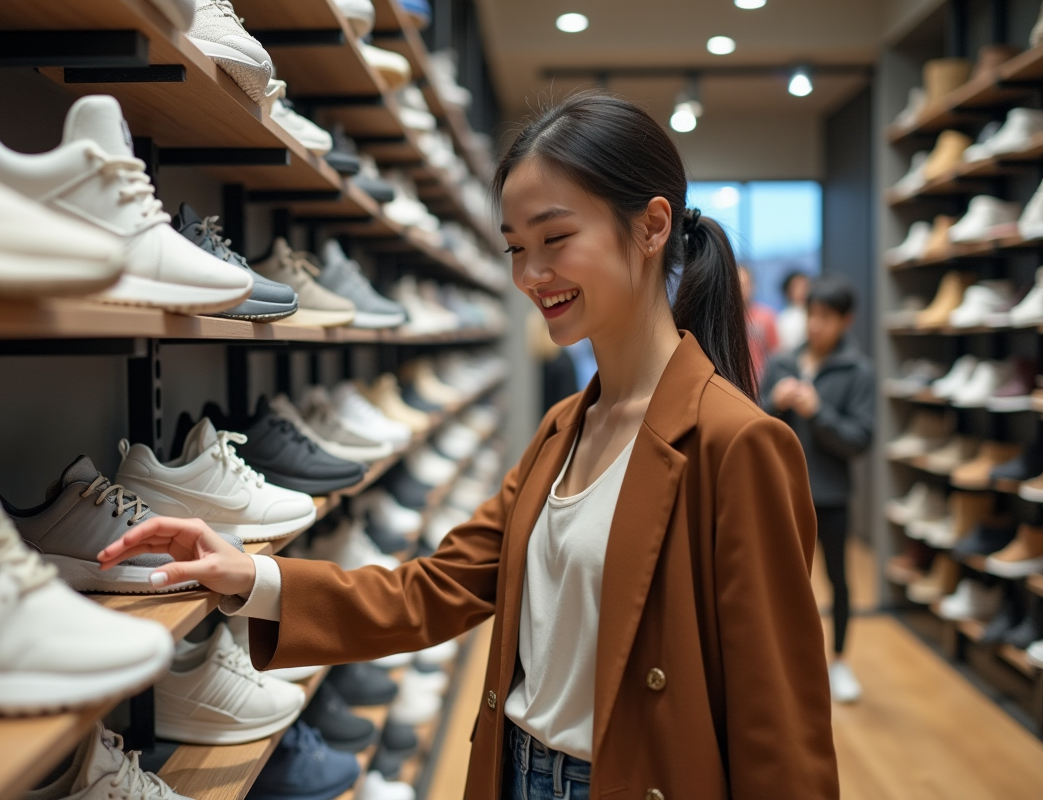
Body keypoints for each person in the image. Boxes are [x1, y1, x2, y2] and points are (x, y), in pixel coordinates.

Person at [100, 92, 838, 800]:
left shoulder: (737, 443)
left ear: (651, 227)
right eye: (517, 248)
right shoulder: (562, 430)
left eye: (555, 239)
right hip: (510, 772)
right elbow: (437, 587)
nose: (530, 275)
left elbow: (779, 723)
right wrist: (252, 577)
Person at [760, 274, 874, 705]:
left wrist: (818, 411)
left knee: (838, 580)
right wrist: (776, 403)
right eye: (811, 315)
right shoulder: (783, 362)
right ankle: (785, 664)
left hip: (831, 494)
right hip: (783, 493)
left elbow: (860, 438)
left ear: (847, 320)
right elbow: (755, 421)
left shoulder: (858, 370)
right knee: (784, 582)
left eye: (826, 317)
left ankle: (839, 661)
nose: (815, 325)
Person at [738, 263, 779, 380]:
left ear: (752, 286)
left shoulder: (766, 317)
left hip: (762, 384)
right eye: (736, 285)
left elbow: (775, 354)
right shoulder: (722, 321)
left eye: (744, 285)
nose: (741, 290)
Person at [778, 270, 810, 353]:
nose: (802, 291)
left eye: (805, 287)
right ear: (788, 292)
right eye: (796, 287)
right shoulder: (783, 319)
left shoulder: (816, 314)